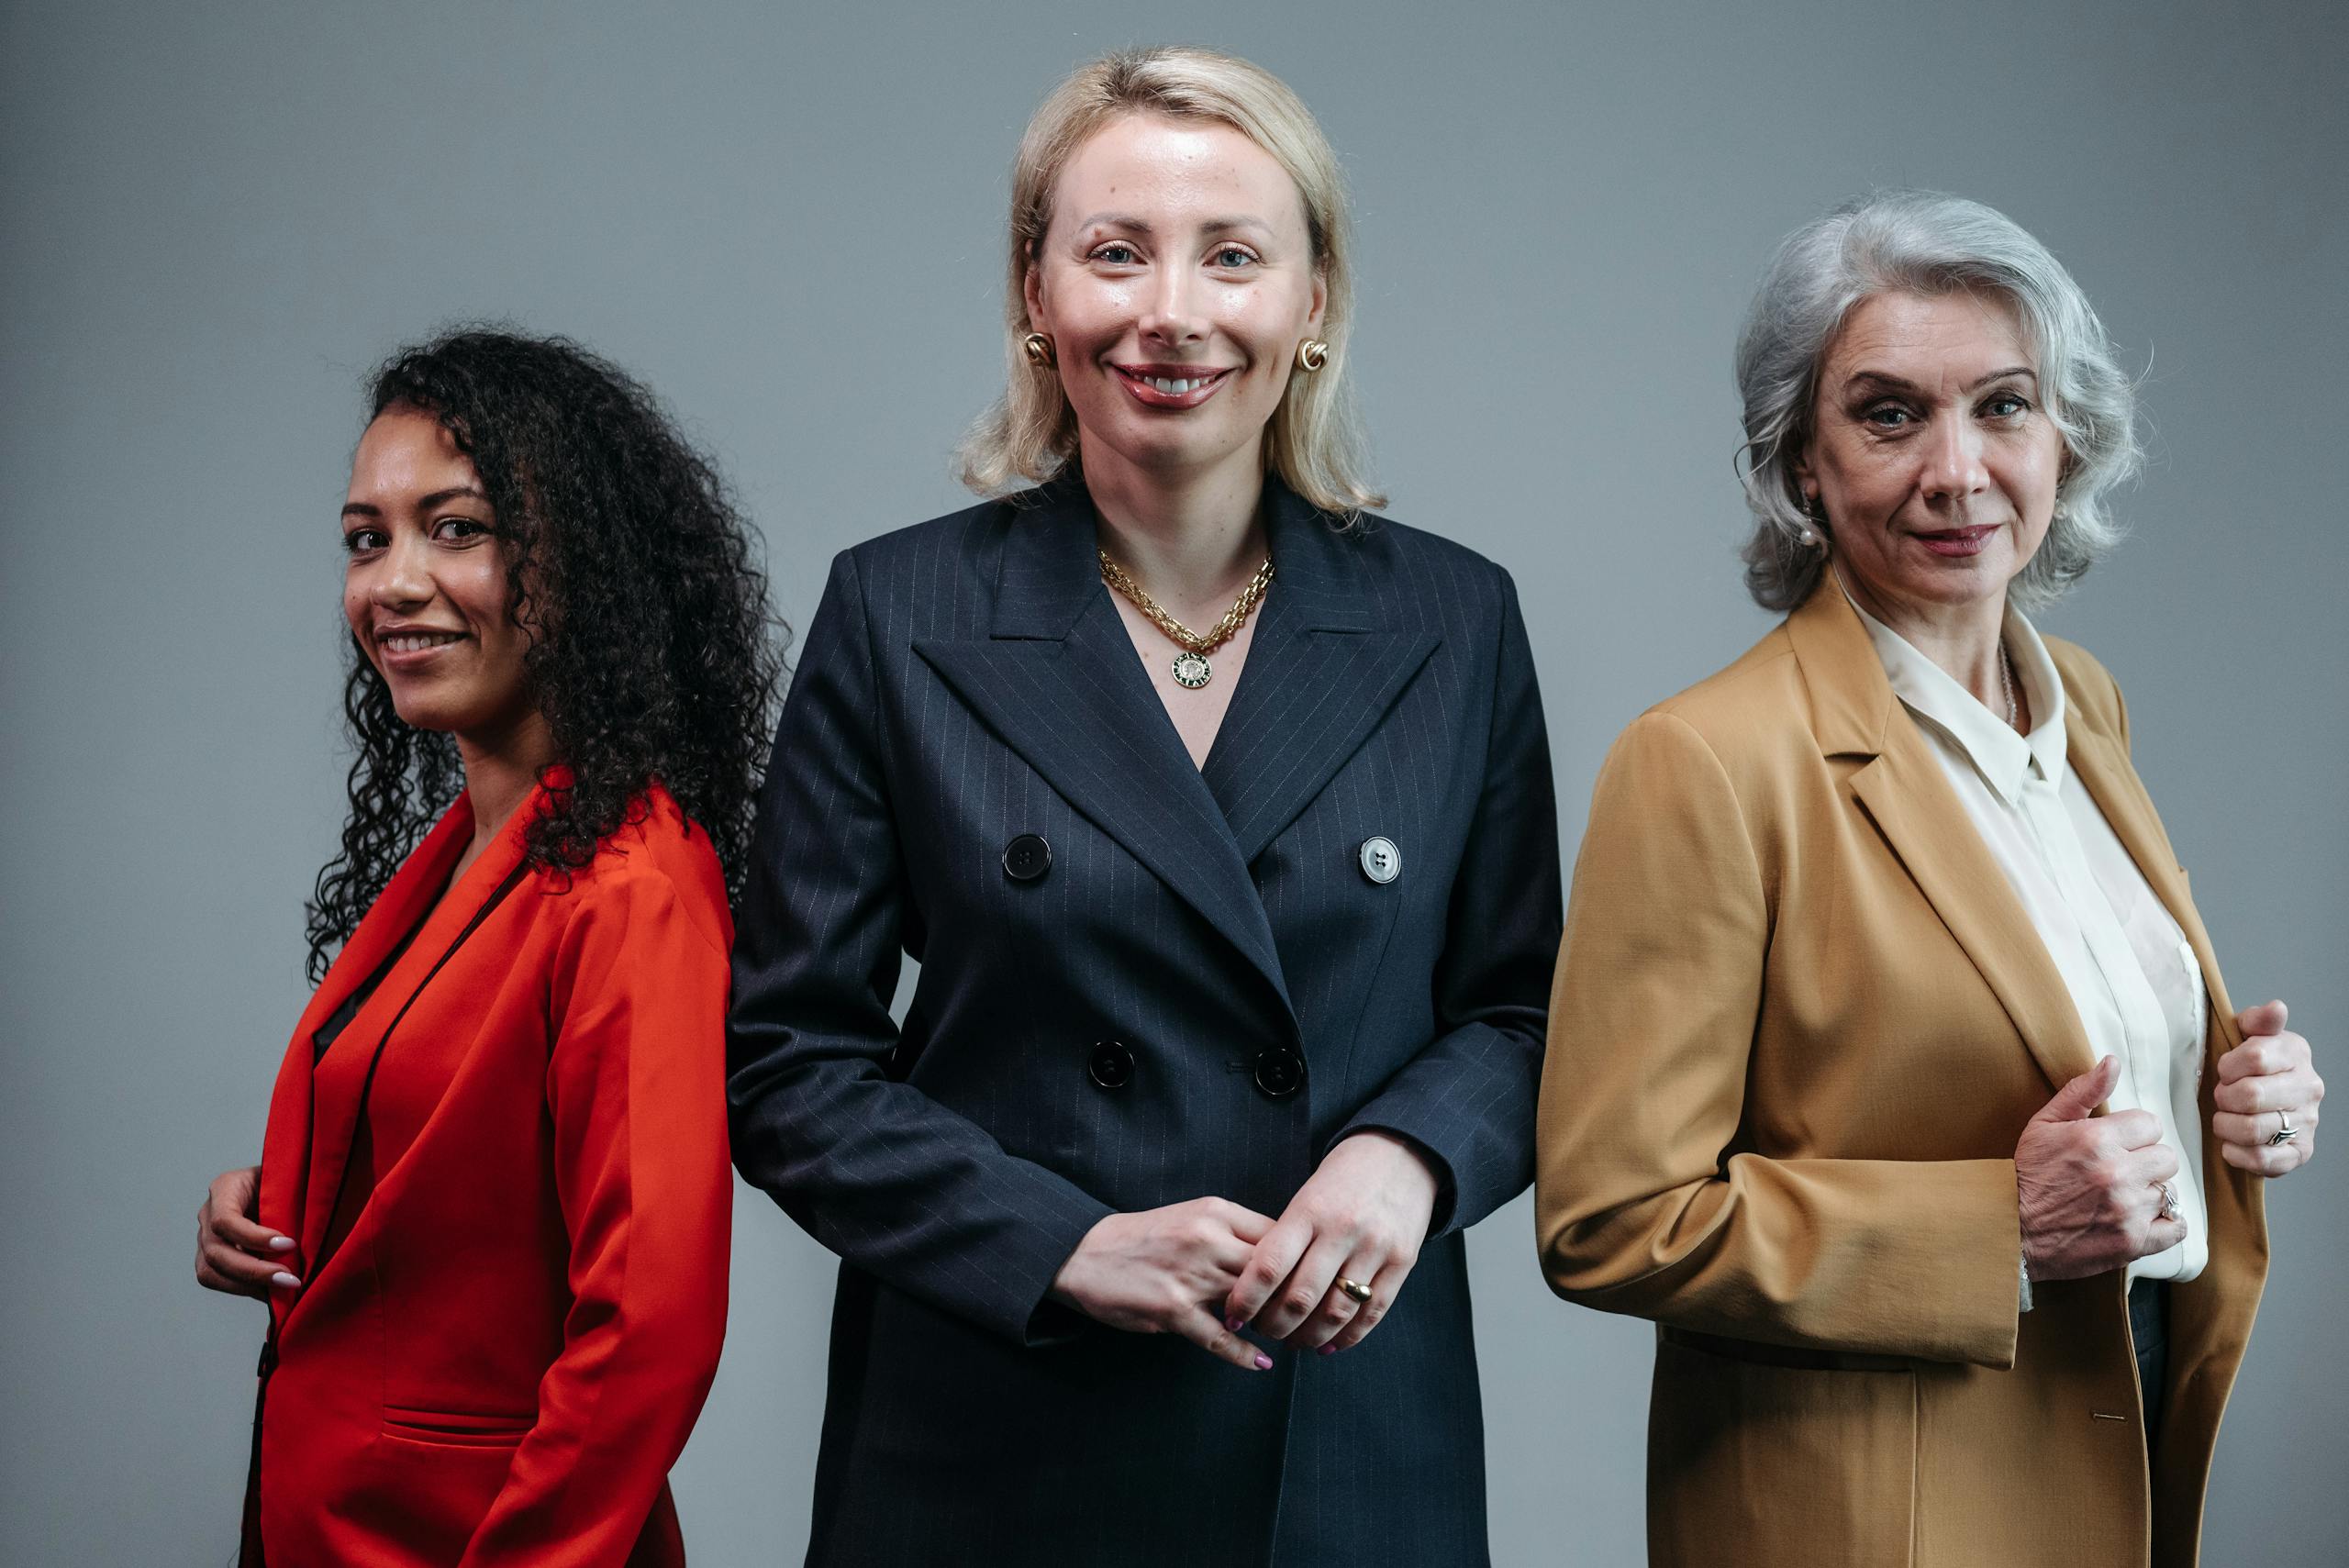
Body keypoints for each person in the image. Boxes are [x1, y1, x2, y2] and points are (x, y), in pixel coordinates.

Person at [727, 46, 1560, 1566]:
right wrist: (1063, 1242)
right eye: (1116, 252)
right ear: (1035, 295)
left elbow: (1525, 1011)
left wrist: (1411, 1157)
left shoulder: (1454, 619)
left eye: (1232, 256)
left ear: (1314, 304)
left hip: (1339, 1431)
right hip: (994, 1432)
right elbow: (787, 1060)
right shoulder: (899, 611)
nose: (1171, 311)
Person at [1535, 191, 2323, 1568]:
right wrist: (1993, 1225)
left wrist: (2227, 1096)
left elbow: (2052, 1046)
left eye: (2003, 406)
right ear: (1801, 461)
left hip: (2124, 1418)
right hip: (1875, 1510)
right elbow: (1613, 1220)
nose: (1957, 472)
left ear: (2066, 436)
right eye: (1890, 415)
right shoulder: (1706, 761)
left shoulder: (2084, 703)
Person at [192, 329, 785, 1566]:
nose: (394, 582)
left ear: (580, 562)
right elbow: (461, 1161)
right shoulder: (468, 849)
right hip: (329, 1524)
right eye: (367, 539)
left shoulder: (632, 879)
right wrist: (287, 1196)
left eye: (456, 529)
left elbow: (651, 1330)